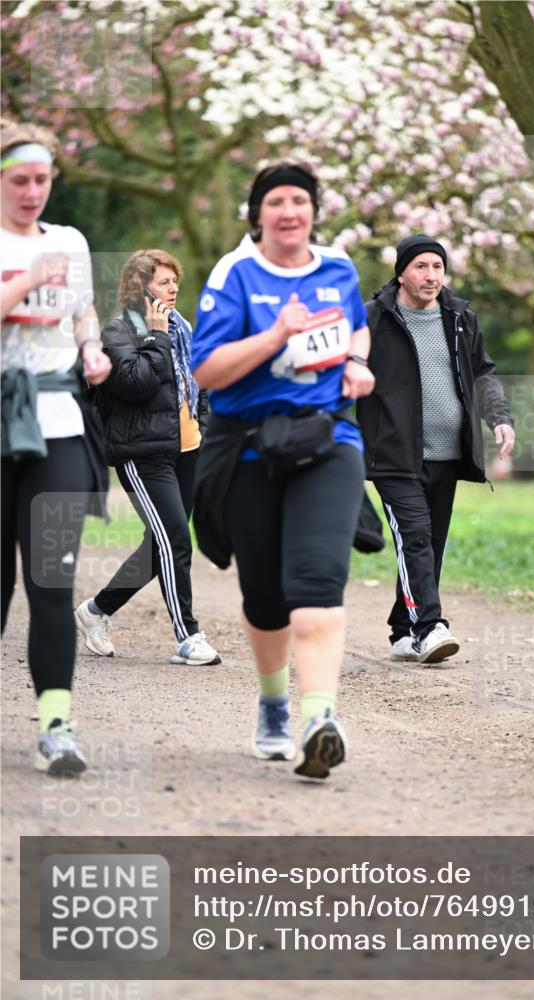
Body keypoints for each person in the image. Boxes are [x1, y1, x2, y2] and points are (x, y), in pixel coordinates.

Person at [191, 162, 375, 779]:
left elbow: (358, 329)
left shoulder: (338, 268)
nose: (290, 211)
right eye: (277, 202)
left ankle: (320, 718)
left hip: (328, 440)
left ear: (314, 210)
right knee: (265, 598)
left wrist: (355, 363)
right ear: (258, 214)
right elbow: (207, 371)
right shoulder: (234, 273)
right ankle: (274, 704)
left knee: (319, 583)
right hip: (248, 448)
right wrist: (274, 335)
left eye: (300, 200)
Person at [1, 118, 111, 775]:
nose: (33, 191)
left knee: (51, 579)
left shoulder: (69, 240)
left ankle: (56, 725)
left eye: (43, 179)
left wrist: (92, 347)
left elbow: (82, 310)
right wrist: (24, 278)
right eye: (20, 180)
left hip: (57, 425)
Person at [357, 234, 515, 664]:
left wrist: (499, 418)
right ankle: (430, 627)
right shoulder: (372, 319)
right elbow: (346, 377)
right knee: (415, 536)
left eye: (438, 267)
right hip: (393, 454)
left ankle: (401, 629)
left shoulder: (460, 317)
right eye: (421, 266)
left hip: (447, 453)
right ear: (401, 273)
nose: (431, 276)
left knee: (431, 542)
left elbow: (482, 374)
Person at [74, 249, 221, 667]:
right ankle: (188, 636)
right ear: (140, 288)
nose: (173, 288)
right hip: (141, 454)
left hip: (187, 449)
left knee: (160, 548)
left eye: (175, 280)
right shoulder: (118, 332)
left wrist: (202, 425)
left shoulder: (185, 328)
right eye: (163, 282)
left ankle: (96, 610)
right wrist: (155, 336)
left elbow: (201, 380)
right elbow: (135, 383)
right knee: (175, 539)